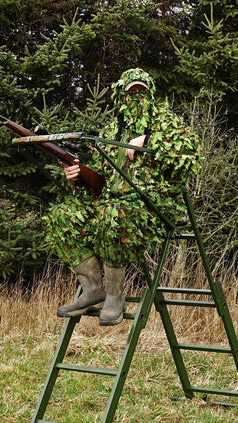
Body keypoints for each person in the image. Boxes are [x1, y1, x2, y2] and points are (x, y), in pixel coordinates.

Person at [43, 68, 201, 326]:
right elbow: (99, 180)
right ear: (120, 96)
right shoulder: (109, 133)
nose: (137, 96)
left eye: (142, 91)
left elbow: (190, 150)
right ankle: (93, 290)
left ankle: (115, 296)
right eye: (131, 91)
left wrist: (148, 140)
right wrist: (78, 176)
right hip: (111, 204)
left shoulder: (165, 122)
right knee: (60, 217)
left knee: (113, 213)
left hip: (152, 207)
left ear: (151, 94)